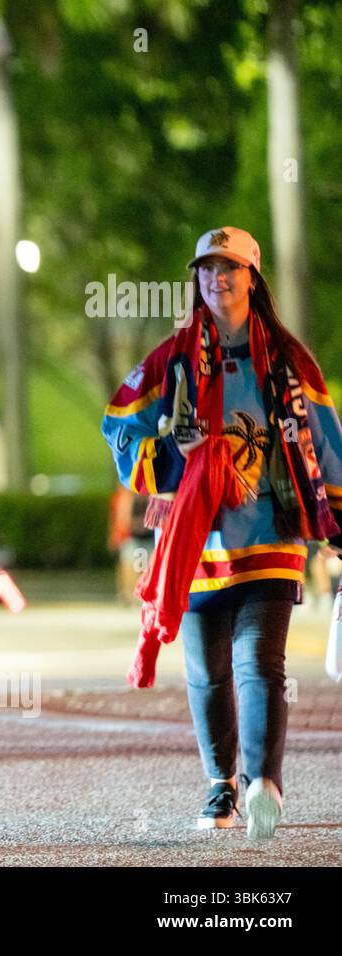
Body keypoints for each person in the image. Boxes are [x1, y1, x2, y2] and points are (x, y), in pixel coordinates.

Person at [102, 226, 342, 841]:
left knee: (259, 662)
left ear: (253, 278)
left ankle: (263, 783)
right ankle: (221, 783)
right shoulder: (171, 359)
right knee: (207, 672)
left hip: (272, 534)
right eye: (207, 269)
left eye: (229, 267)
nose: (217, 278)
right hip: (196, 540)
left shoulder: (290, 359)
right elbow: (117, 423)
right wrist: (169, 458)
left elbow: (325, 440)